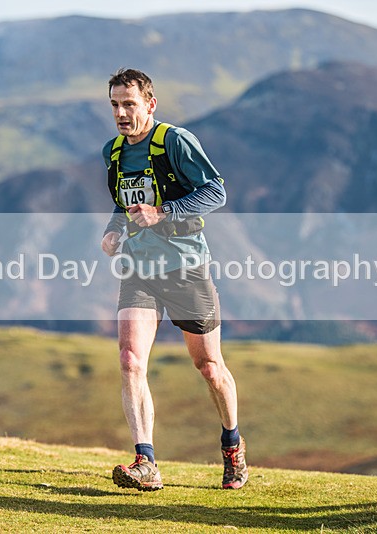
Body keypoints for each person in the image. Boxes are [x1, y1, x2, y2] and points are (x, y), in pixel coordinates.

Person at [100, 68, 247, 491]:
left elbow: (215, 191)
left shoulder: (174, 142)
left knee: (209, 367)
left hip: (186, 269)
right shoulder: (113, 153)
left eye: (129, 104)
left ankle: (232, 445)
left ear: (150, 103)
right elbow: (121, 205)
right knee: (130, 360)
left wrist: (163, 214)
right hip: (139, 270)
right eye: (115, 105)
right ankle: (145, 462)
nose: (121, 113)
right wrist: (114, 231)